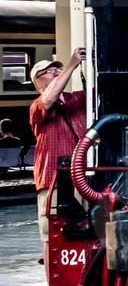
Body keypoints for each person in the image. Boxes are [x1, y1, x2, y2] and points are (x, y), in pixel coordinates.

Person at [29, 49, 86, 264]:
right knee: (51, 236)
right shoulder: (36, 106)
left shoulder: (77, 99)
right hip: (52, 179)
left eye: (57, 68)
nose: (55, 71)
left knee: (85, 230)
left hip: (82, 178)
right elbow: (49, 99)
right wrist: (71, 64)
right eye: (48, 70)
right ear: (37, 80)